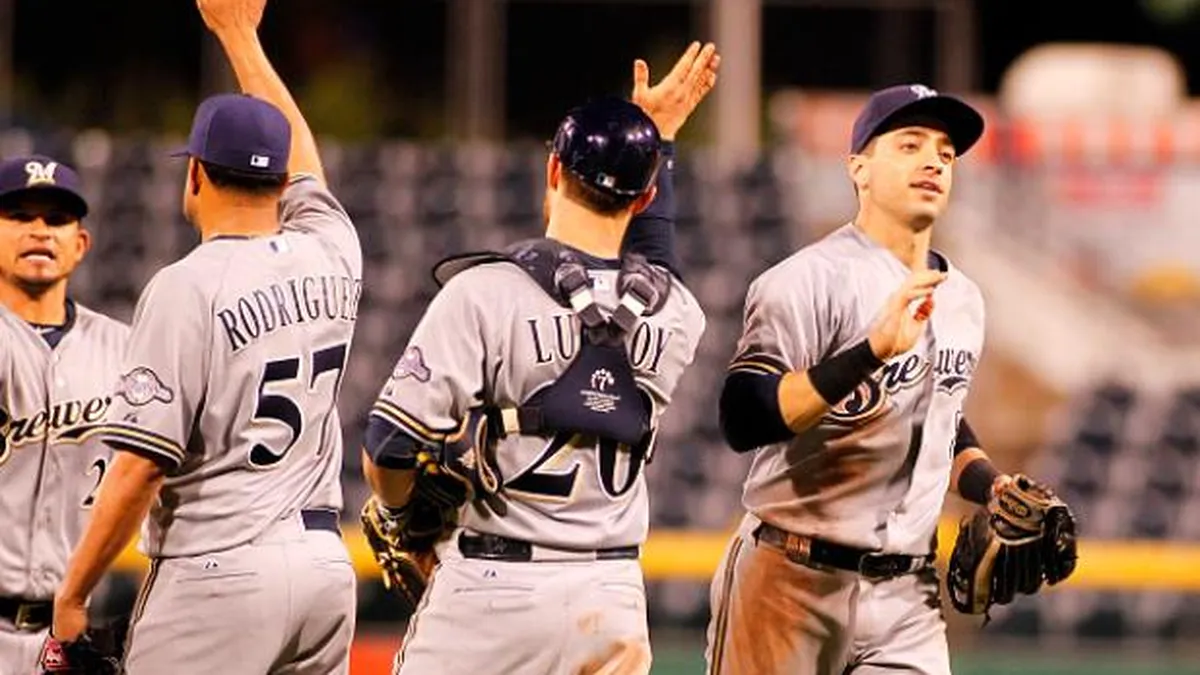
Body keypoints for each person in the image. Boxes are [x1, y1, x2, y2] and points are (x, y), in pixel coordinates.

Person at [359, 44, 719, 675]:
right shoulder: (679, 311)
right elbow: (659, 260)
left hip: (494, 591)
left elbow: (388, 445)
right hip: (611, 600)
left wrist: (397, 515)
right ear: (644, 198)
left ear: (553, 168)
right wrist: (659, 141)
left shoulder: (484, 292)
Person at [706, 84, 1072, 674]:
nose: (933, 161)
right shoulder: (806, 279)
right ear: (859, 168)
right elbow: (744, 417)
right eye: (909, 145)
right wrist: (870, 352)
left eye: (945, 154)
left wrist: (992, 486)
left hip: (908, 598)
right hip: (790, 579)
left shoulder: (964, 299)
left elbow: (938, 422)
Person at [48, 0, 361, 672]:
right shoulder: (334, 249)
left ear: (195, 173)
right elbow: (307, 163)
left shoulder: (186, 286)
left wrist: (73, 594)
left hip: (219, 571)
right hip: (324, 569)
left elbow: (142, 466)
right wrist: (241, 37)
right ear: (282, 181)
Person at [0, 155, 128, 672]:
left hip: (69, 634)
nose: (39, 230)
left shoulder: (125, 350)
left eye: (56, 219)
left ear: (80, 244)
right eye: (19, 216)